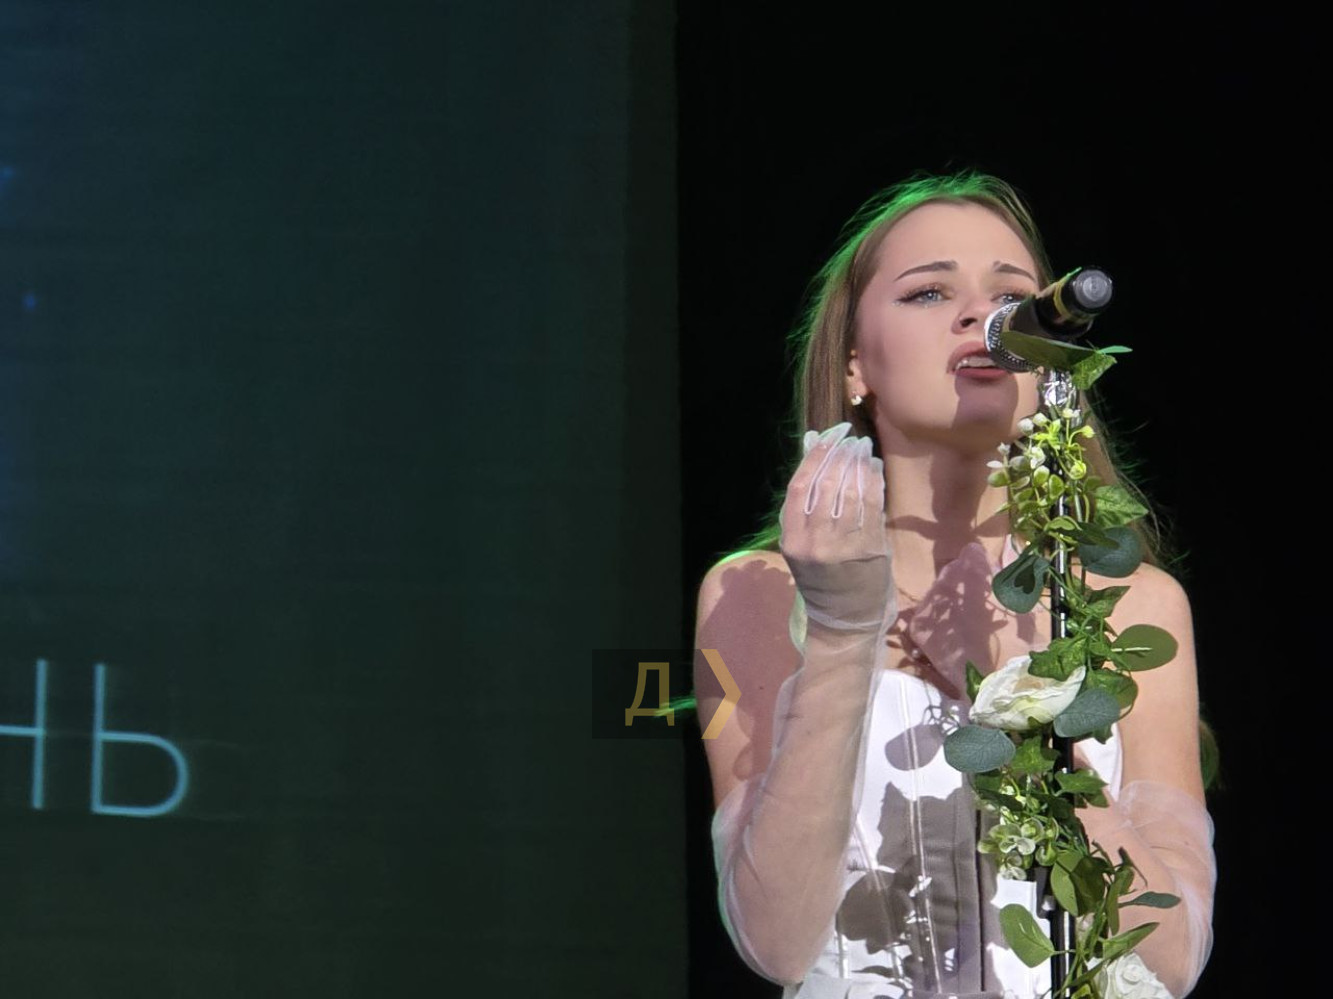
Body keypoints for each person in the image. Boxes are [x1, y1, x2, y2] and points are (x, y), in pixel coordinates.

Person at [691, 171, 1216, 999]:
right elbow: (775, 939)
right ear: (855, 362)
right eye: (929, 292)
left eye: (1010, 296)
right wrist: (841, 630)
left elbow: (1175, 955)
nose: (980, 315)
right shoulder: (755, 592)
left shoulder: (1138, 603)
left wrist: (1014, 701)